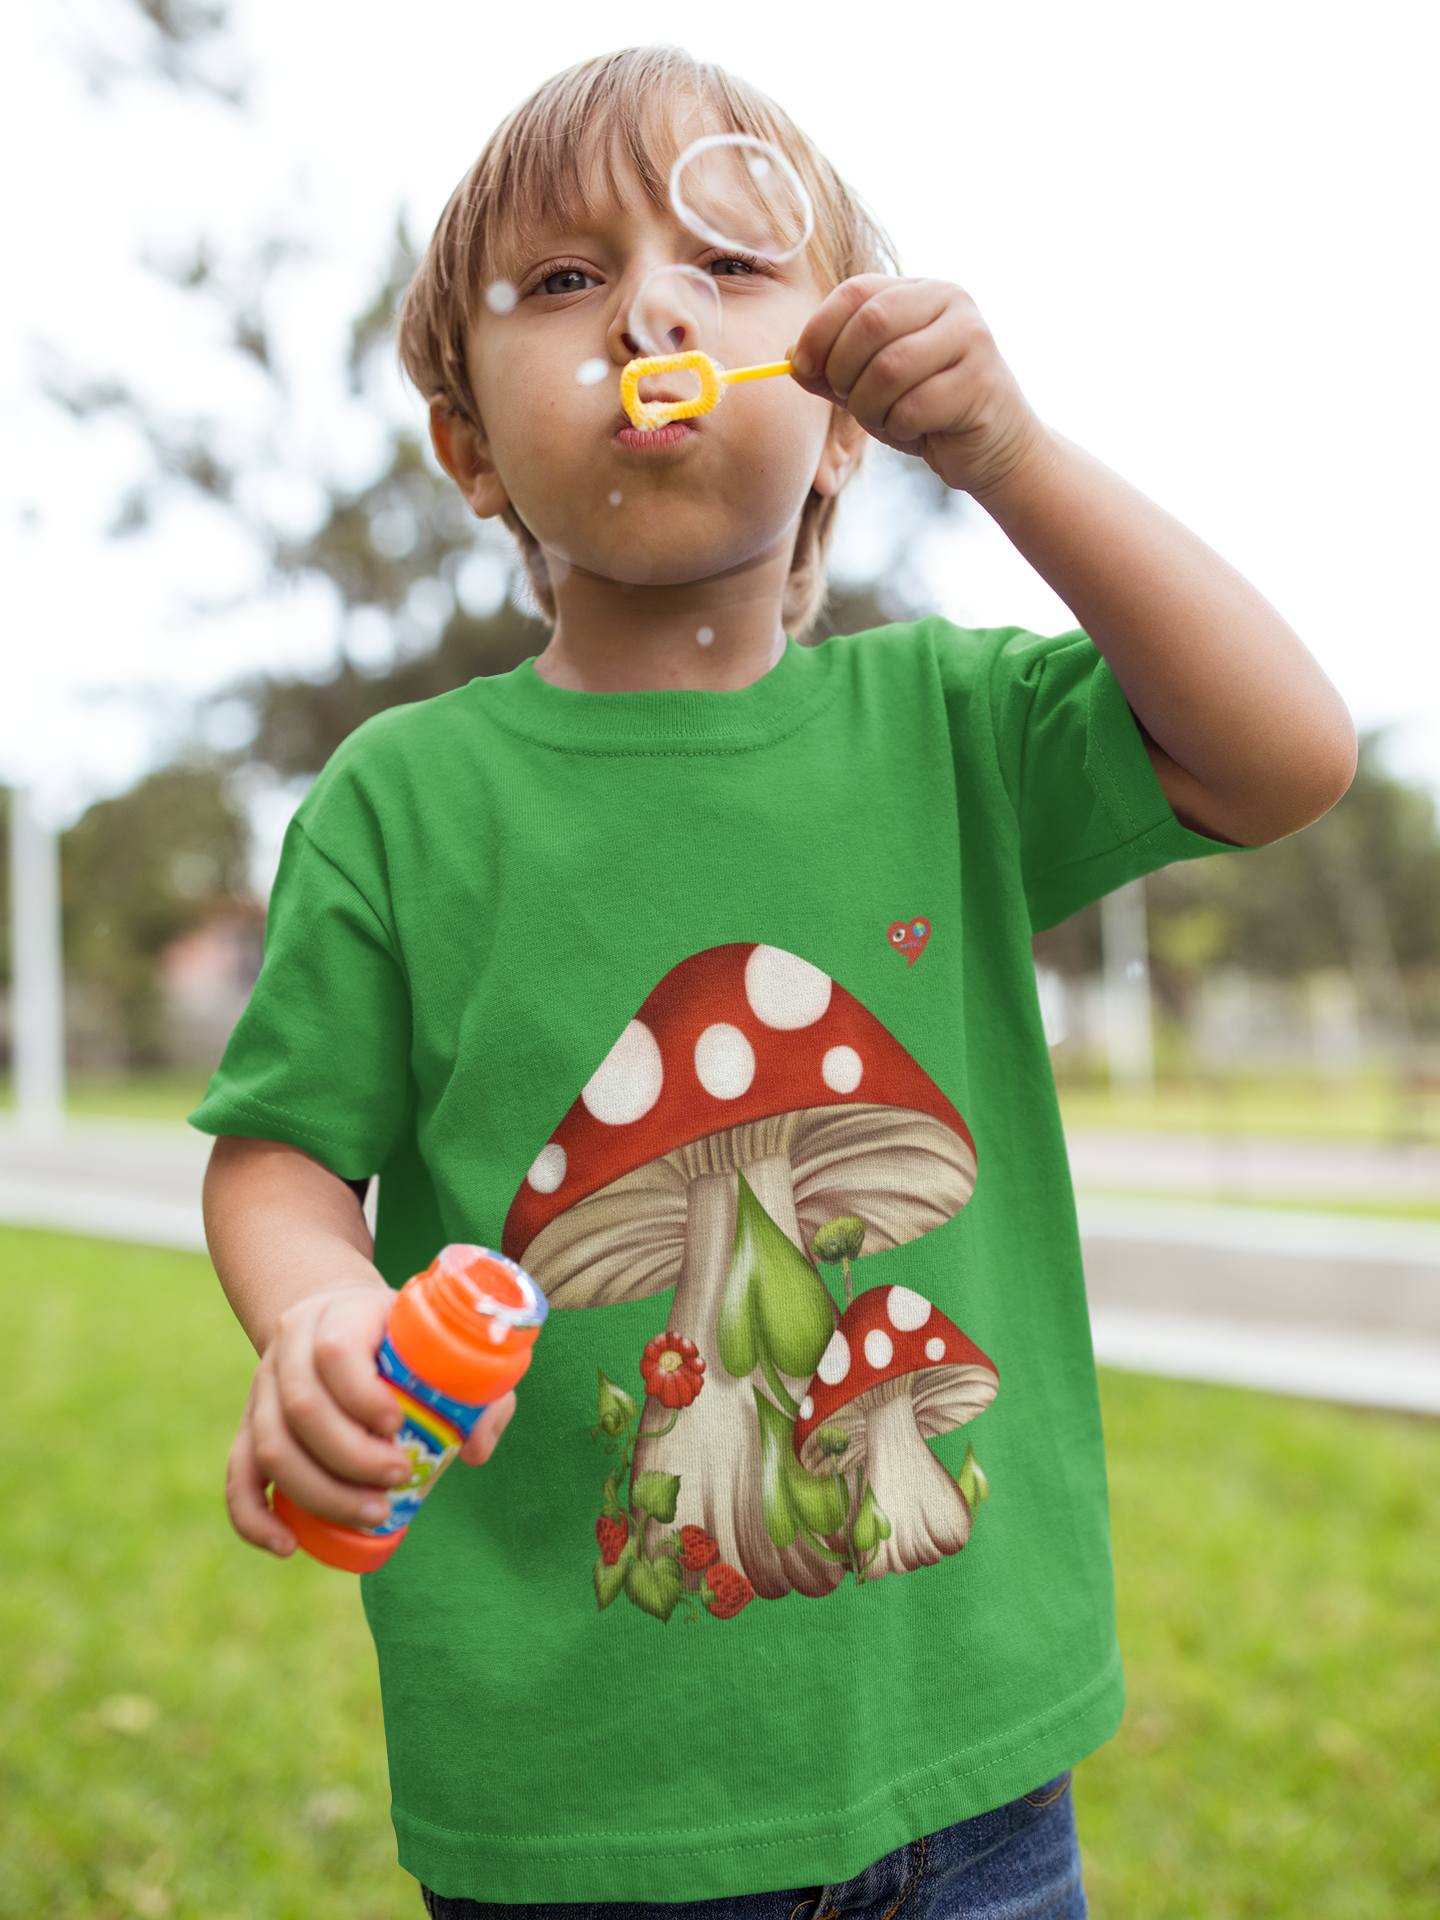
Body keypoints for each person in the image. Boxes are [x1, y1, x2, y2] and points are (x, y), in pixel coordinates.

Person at [194, 46, 1356, 1920]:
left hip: (977, 1774)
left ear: (837, 412)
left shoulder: (952, 724)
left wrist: (1019, 459)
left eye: (729, 266)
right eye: (565, 283)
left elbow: (1283, 755)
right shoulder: (402, 801)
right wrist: (319, 1313)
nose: (652, 304)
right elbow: (278, 1153)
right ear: (470, 445)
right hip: (579, 1811)